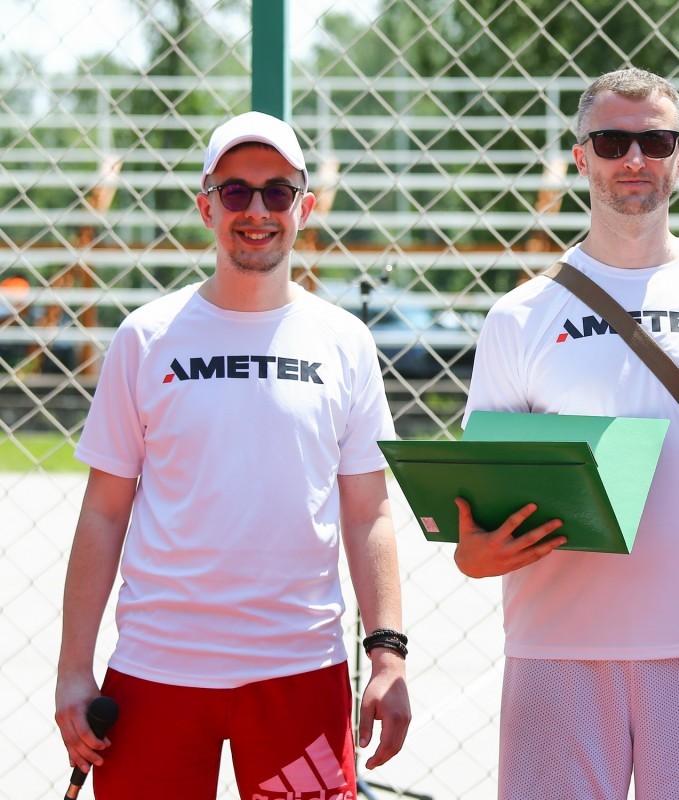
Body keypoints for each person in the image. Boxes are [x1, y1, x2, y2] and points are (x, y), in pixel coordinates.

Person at [454, 68, 679, 799]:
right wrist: (473, 552)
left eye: (655, 142)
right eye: (611, 142)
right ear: (581, 158)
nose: (634, 159)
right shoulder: (519, 315)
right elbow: (480, 501)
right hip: (556, 644)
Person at [54, 111, 412, 799]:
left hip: (300, 673)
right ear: (207, 207)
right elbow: (103, 512)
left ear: (305, 207)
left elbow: (369, 511)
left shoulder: (344, 341)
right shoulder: (146, 337)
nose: (257, 211)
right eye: (236, 191)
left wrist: (388, 654)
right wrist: (74, 668)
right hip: (157, 671)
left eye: (277, 191)